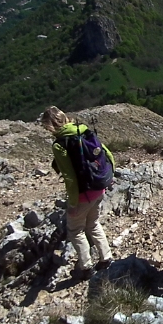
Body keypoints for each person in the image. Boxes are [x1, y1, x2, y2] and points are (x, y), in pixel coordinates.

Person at [41, 107, 113, 276]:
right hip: (99, 187)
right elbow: (106, 153)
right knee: (93, 224)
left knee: (76, 230)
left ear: (50, 126)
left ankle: (86, 267)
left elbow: (70, 177)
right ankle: (106, 258)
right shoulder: (82, 130)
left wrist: (73, 203)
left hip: (83, 194)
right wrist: (108, 177)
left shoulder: (60, 144)